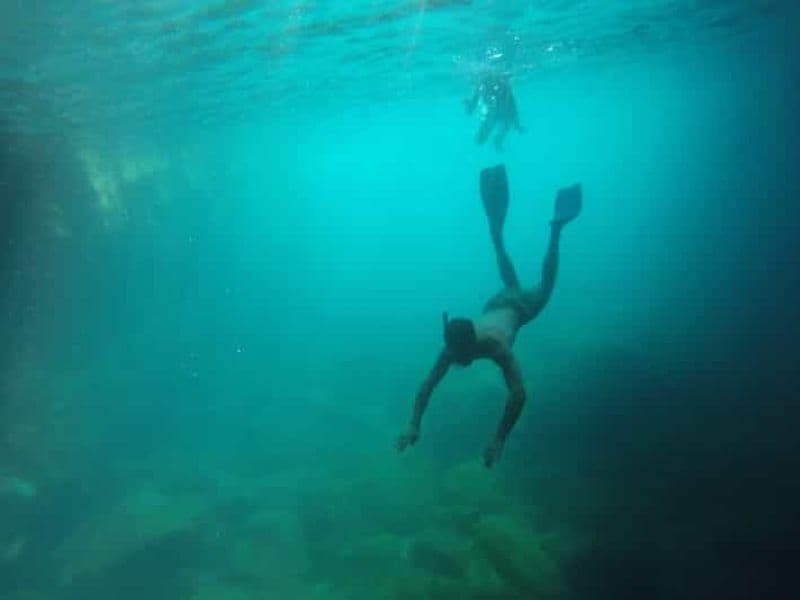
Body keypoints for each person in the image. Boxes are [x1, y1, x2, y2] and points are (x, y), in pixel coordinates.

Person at [396, 164, 582, 467]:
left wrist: (499, 440)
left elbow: (519, 393)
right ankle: (498, 234)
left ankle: (555, 231)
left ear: (471, 344)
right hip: (497, 305)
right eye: (455, 354)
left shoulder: (496, 346)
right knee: (512, 279)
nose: (458, 361)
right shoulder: (454, 347)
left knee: (545, 288)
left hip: (517, 307)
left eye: (461, 355)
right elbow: (427, 385)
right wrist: (413, 424)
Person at [463, 70, 524, 151]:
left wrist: (517, 124)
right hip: (494, 114)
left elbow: (513, 107)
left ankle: (497, 143)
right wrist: (469, 106)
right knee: (479, 140)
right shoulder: (482, 85)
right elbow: (474, 102)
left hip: (505, 113)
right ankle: (495, 142)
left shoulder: (504, 86)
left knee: (501, 132)